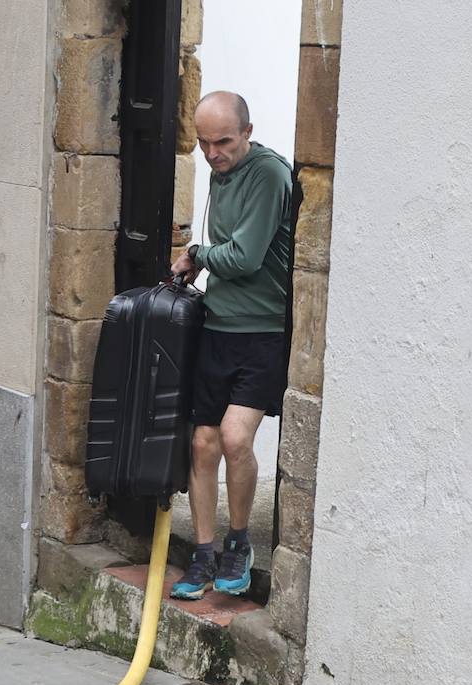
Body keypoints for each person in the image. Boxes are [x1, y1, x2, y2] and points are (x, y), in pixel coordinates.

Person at [170, 91, 293, 600]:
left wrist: (197, 253)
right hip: (218, 326)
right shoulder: (221, 173)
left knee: (236, 439)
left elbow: (243, 256)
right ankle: (202, 554)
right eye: (202, 143)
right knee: (202, 444)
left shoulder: (268, 174)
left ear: (247, 131)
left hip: (263, 330)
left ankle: (239, 544)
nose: (213, 154)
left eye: (223, 141)